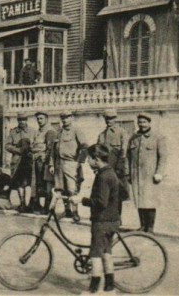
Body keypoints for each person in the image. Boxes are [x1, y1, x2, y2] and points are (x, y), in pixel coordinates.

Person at [70, 144, 122, 294]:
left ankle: (93, 289)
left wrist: (81, 200)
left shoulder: (103, 177)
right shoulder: (109, 172)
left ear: (96, 159)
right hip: (112, 220)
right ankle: (109, 285)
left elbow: (100, 202)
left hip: (102, 221)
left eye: (89, 159)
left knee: (95, 255)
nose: (87, 162)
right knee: (106, 252)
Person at [128, 113, 167, 233]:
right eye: (140, 122)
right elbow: (127, 156)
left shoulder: (158, 137)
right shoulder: (134, 137)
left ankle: (150, 227)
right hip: (136, 175)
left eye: (144, 122)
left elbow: (163, 157)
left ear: (149, 123)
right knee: (139, 200)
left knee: (150, 201)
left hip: (150, 176)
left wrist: (159, 173)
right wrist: (128, 173)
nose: (142, 124)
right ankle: (142, 225)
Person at [50, 110, 87, 222]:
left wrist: (79, 162)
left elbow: (85, 147)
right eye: (63, 118)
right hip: (58, 164)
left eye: (67, 117)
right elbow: (53, 150)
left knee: (72, 189)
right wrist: (51, 164)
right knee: (61, 188)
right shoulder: (58, 132)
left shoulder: (76, 131)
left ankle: (75, 212)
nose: (65, 120)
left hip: (71, 163)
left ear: (71, 118)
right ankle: (67, 211)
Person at [97, 108, 129, 213]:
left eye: (111, 118)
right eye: (106, 118)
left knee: (118, 194)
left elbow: (124, 151)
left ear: (115, 118)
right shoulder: (101, 135)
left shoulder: (122, 133)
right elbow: (97, 153)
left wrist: (122, 169)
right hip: (105, 170)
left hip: (117, 169)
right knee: (104, 193)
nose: (108, 121)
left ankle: (117, 219)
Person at [5, 114, 35, 212]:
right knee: (18, 183)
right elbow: (7, 146)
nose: (22, 122)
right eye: (20, 120)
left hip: (28, 161)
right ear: (18, 121)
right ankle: (22, 203)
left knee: (27, 183)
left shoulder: (33, 131)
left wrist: (30, 150)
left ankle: (28, 204)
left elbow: (36, 144)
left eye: (24, 120)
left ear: (27, 120)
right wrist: (18, 150)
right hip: (17, 161)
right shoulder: (13, 132)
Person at [30, 111, 57, 214]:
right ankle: (37, 205)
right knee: (38, 183)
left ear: (46, 119)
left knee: (47, 184)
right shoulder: (39, 131)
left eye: (41, 118)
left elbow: (51, 148)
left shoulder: (50, 131)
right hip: (37, 160)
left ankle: (47, 208)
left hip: (45, 162)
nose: (39, 121)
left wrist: (46, 159)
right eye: (38, 119)